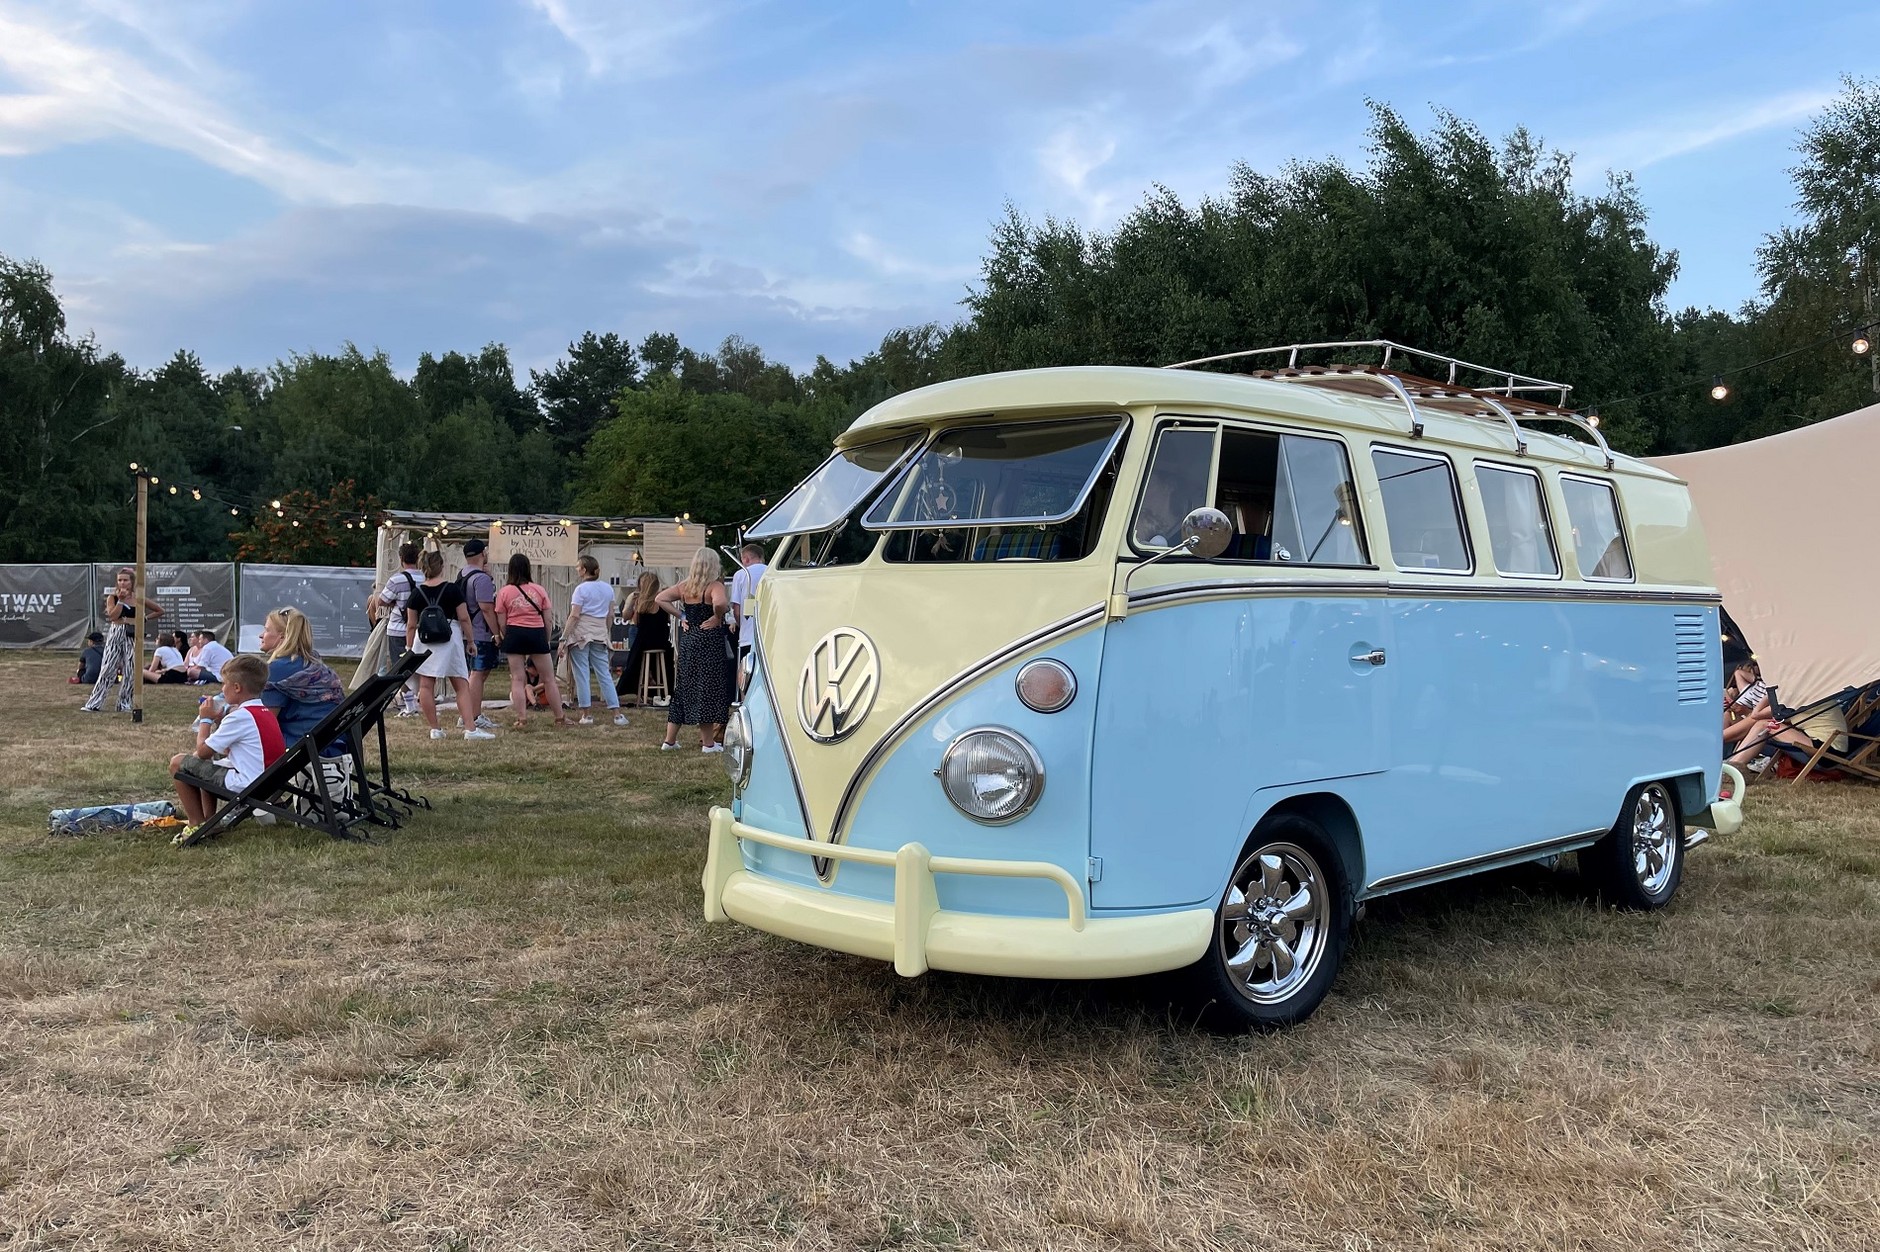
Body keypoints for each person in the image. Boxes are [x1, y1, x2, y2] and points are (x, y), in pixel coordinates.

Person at [169, 653, 284, 838]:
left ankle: (196, 823)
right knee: (210, 765)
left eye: (224, 684)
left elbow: (203, 752)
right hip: (267, 781)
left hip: (247, 785)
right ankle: (210, 820)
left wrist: (205, 719)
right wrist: (221, 720)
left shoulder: (239, 716)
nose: (222, 689)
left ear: (237, 687)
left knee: (177, 763)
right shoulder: (263, 712)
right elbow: (235, 745)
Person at [403, 549, 486, 742]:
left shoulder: (416, 593)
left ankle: (435, 729)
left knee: (426, 685)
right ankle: (470, 728)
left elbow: (411, 625)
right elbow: (464, 618)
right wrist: (471, 641)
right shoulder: (452, 589)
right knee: (461, 684)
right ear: (442, 566)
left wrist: (409, 649)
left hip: (423, 641)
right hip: (450, 638)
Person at [656, 547, 731, 753]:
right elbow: (721, 603)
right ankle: (708, 743)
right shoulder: (714, 586)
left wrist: (681, 616)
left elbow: (660, 598)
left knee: (684, 688)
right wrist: (717, 616)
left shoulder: (685, 586)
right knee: (705, 688)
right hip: (708, 640)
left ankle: (669, 741)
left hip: (689, 640)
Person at [258, 606, 346, 750]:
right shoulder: (315, 665)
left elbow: (266, 725)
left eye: (267, 630)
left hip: (305, 749)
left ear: (283, 636)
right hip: (335, 744)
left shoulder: (277, 669)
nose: (261, 635)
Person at [495, 553, 564, 730]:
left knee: (517, 679)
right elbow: (548, 620)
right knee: (549, 678)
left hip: (514, 632)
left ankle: (522, 718)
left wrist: (506, 635)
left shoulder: (504, 592)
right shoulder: (539, 590)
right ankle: (559, 718)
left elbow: (501, 621)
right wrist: (546, 640)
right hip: (536, 632)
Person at [82, 567, 163, 712]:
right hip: (116, 632)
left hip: (132, 634)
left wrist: (144, 618)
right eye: (120, 580)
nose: (122, 583)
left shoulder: (138, 598)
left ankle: (124, 703)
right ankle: (94, 703)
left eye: (125, 580)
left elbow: (159, 610)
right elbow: (112, 617)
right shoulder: (112, 597)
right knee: (108, 668)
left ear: (132, 582)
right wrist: (121, 601)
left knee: (131, 669)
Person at [561, 554, 626, 726]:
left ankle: (587, 715)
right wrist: (605, 631)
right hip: (600, 633)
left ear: (583, 570)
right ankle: (617, 714)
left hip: (580, 633)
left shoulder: (580, 590)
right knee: (604, 674)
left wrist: (563, 638)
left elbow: (574, 616)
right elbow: (610, 614)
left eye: (578, 566)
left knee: (581, 674)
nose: (576, 569)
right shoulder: (607, 589)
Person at [371, 542, 425, 716]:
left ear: (401, 559)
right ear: (417, 558)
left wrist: (397, 603)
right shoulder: (425, 578)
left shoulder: (396, 580)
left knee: (399, 667)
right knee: (422, 666)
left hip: (398, 628)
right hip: (420, 629)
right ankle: (422, 697)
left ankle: (409, 704)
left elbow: (382, 601)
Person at [457, 538, 500, 732]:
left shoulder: (463, 574)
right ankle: (473, 715)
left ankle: (467, 714)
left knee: (471, 674)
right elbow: (486, 608)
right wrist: (497, 633)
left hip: (464, 631)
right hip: (480, 632)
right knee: (478, 673)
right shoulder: (481, 579)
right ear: (482, 553)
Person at [615, 571, 671, 707]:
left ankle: (644, 691)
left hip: (645, 639)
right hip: (658, 640)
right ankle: (654, 692)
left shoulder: (646, 601)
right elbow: (627, 616)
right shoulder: (645, 599)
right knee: (640, 663)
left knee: (635, 662)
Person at [728, 542, 768, 696]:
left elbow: (737, 609)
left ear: (745, 559)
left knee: (746, 676)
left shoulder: (741, 574)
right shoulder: (770, 572)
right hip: (767, 635)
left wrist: (741, 624)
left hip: (747, 636)